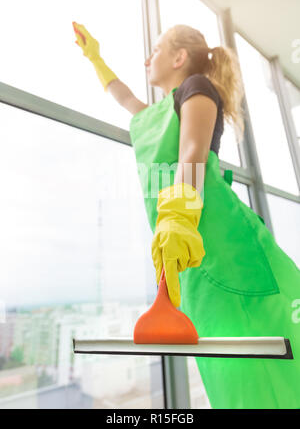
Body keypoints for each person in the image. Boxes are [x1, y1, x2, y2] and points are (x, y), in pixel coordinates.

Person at [72, 21, 300, 409]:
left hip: (223, 242)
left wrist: (176, 217)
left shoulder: (197, 89)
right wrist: (96, 58)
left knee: (266, 357)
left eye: (156, 50)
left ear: (179, 58)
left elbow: (191, 154)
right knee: (228, 374)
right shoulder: (153, 116)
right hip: (188, 256)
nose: (148, 59)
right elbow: (122, 95)